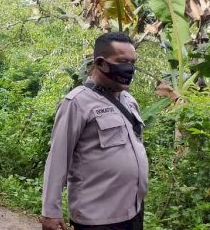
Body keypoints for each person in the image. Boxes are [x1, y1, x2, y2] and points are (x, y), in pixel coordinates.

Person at [41, 32, 147, 230]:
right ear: (100, 63)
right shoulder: (77, 102)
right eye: (123, 61)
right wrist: (50, 212)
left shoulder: (129, 101)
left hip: (133, 211)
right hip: (97, 218)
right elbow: (58, 159)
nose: (129, 68)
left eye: (133, 62)